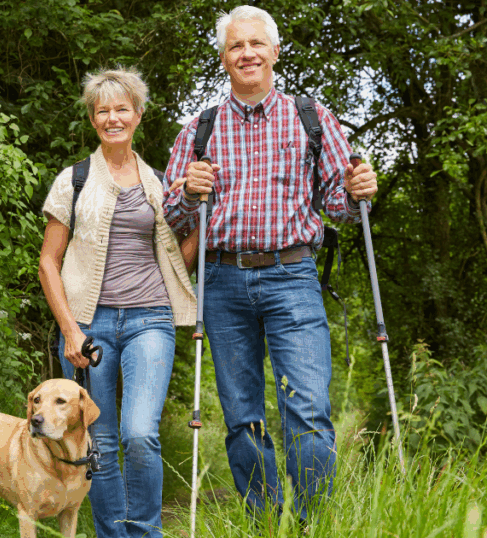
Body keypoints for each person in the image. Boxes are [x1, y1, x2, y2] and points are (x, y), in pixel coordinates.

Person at [162, 5, 379, 523]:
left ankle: (311, 524)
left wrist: (357, 192)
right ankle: (263, 521)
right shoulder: (200, 128)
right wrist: (189, 194)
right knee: (241, 418)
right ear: (223, 59)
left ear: (275, 52)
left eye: (256, 44)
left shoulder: (312, 118)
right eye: (236, 46)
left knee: (306, 411)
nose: (247, 53)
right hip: (222, 278)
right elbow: (169, 214)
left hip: (292, 276)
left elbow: (340, 206)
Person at [39, 67, 197, 537]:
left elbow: (176, 261)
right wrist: (71, 330)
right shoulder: (74, 180)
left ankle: (145, 533)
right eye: (103, 110)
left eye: (121, 109)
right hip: (90, 324)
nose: (113, 118)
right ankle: (111, 533)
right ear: (92, 119)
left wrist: (203, 225)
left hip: (151, 318)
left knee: (140, 433)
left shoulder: (160, 183)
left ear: (138, 115)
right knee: (98, 438)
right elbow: (49, 262)